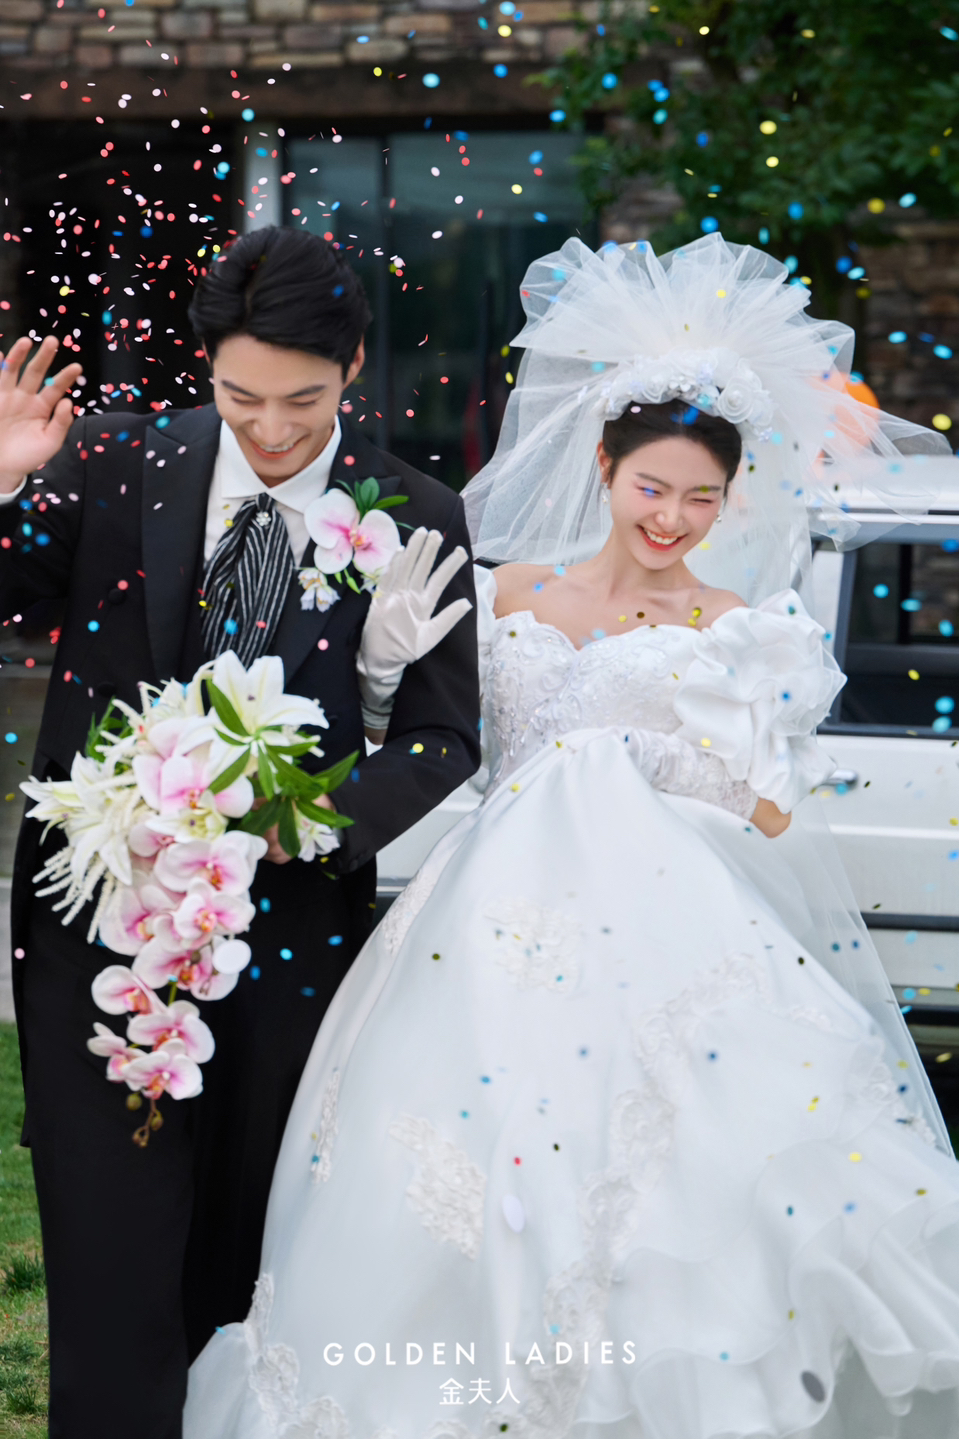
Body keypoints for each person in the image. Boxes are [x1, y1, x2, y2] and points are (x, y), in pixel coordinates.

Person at [184, 234, 959, 1439]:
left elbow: (767, 815)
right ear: (602, 464)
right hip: (477, 935)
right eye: (651, 487)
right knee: (442, 1168)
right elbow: (433, 738)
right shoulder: (508, 593)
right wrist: (381, 676)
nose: (671, 518)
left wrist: (710, 749)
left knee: (650, 1186)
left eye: (700, 498)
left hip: (657, 933)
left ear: (729, 500)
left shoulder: (741, 627)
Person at [0, 225, 479, 1438]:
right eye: (240, 396)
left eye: (302, 401)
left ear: (353, 366)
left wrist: (298, 822)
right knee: (107, 1260)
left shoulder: (420, 513)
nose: (270, 428)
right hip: (92, 923)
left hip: (292, 940)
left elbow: (442, 737)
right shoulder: (114, 460)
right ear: (205, 367)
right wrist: (0, 488)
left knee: (248, 1264)